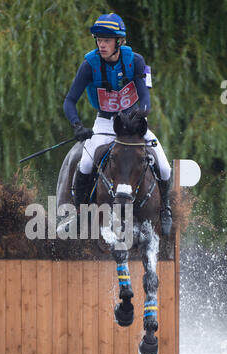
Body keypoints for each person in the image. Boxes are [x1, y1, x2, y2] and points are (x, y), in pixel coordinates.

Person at [63, 13, 172, 236]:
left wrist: (142, 114)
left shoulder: (136, 61)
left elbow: (145, 97)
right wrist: (77, 125)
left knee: (164, 166)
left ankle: (165, 209)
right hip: (104, 122)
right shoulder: (88, 65)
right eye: (99, 40)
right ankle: (79, 214)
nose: (101, 45)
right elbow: (69, 101)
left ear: (119, 42)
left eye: (107, 40)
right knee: (84, 164)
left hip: (132, 125)